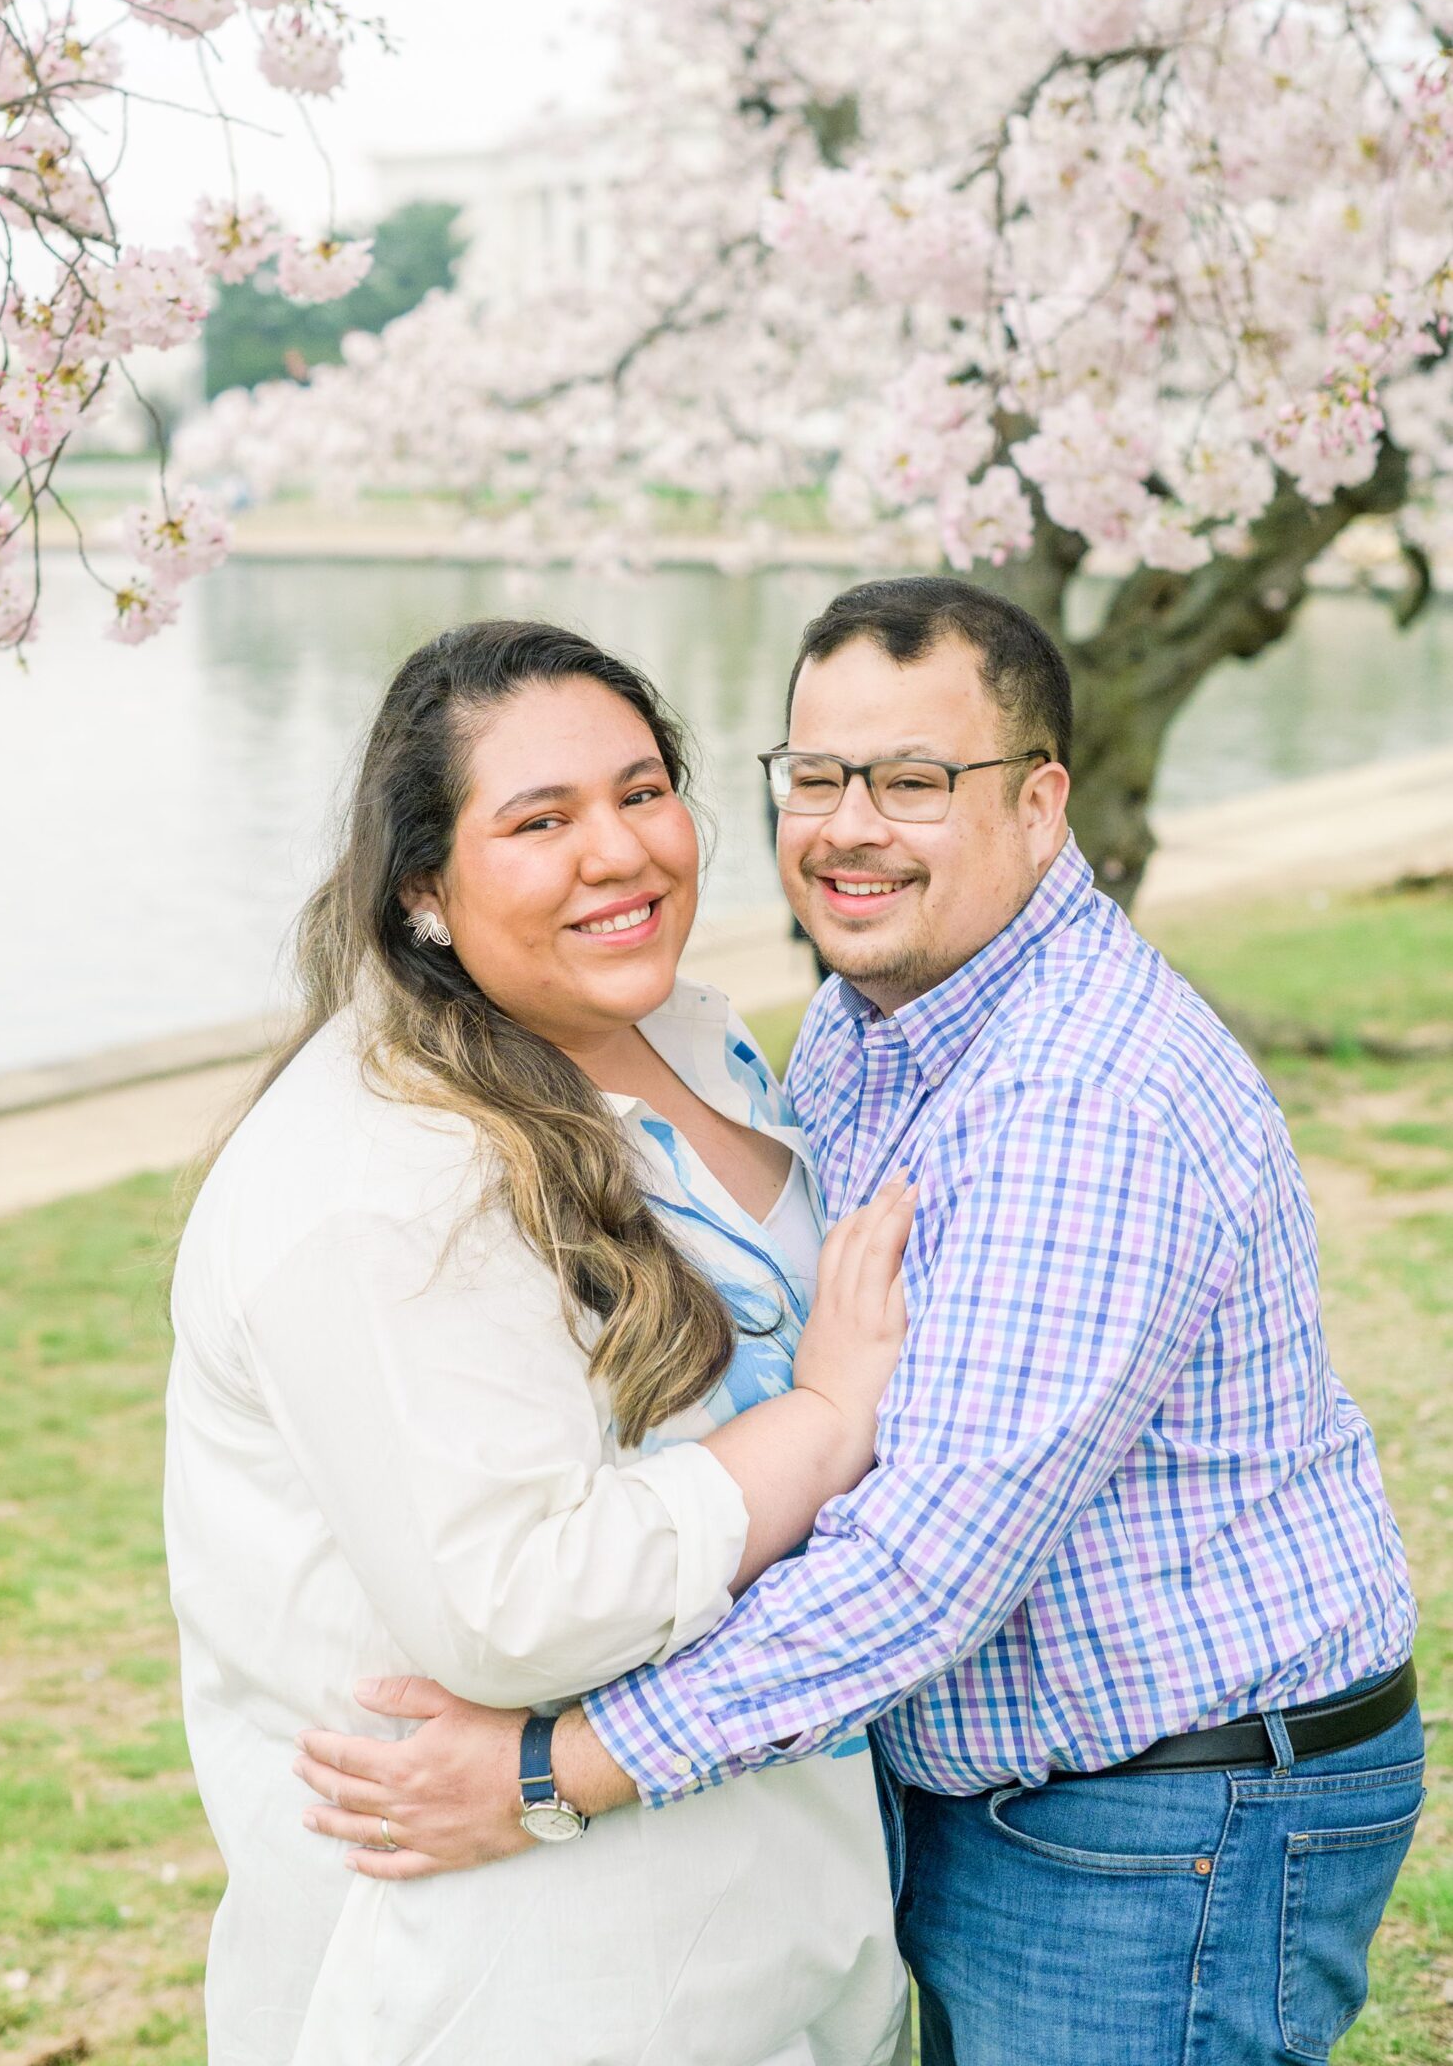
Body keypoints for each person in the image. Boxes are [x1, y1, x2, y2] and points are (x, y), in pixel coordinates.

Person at [295, 577, 1421, 2066]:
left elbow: (926, 1567)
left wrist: (554, 1770)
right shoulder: (870, 1017)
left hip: (1170, 1818)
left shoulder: (1085, 1105)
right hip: (1022, 1790)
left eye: (913, 782)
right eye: (815, 777)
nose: (847, 827)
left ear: (1039, 804)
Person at [165, 618, 914, 2066]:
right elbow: (514, 1605)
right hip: (542, 1976)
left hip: (795, 1911)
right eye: (542, 820)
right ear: (427, 888)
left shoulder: (688, 1035)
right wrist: (820, 1425)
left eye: (643, 792)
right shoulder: (384, 1182)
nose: (621, 853)